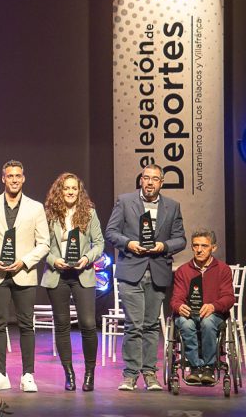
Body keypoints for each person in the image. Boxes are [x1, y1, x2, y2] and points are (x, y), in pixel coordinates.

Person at [105, 164, 185, 391]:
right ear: (141, 180)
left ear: (161, 182)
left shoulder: (172, 206)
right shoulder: (125, 201)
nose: (150, 182)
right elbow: (110, 232)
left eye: (155, 179)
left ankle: (150, 373)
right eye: (146, 178)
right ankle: (130, 375)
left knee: (150, 326)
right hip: (131, 270)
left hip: (158, 271)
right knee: (134, 325)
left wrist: (163, 245)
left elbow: (181, 239)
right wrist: (129, 243)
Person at [0, 160, 49, 392]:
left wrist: (25, 261)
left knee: (27, 325)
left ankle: (27, 374)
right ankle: (0, 374)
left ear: (24, 178)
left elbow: (44, 243)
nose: (14, 179)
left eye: (18, 175)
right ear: (3, 178)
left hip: (24, 273)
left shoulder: (35, 207)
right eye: (10, 176)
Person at [41, 173, 104, 391]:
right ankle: (68, 373)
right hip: (57, 275)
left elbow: (99, 243)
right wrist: (53, 260)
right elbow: (42, 245)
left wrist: (87, 258)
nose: (70, 192)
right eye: (66, 188)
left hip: (82, 274)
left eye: (74, 188)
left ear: (79, 191)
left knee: (87, 324)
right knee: (62, 325)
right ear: (60, 190)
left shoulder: (89, 213)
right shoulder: (49, 214)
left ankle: (89, 373)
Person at [170, 230, 234, 385]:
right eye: (196, 245)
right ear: (192, 247)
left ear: (213, 247)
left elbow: (229, 298)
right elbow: (175, 299)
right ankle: (195, 367)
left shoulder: (223, 269)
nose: (199, 249)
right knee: (186, 323)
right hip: (189, 314)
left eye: (204, 246)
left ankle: (208, 367)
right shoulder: (183, 270)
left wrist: (214, 306)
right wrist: (179, 306)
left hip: (213, 314)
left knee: (208, 322)